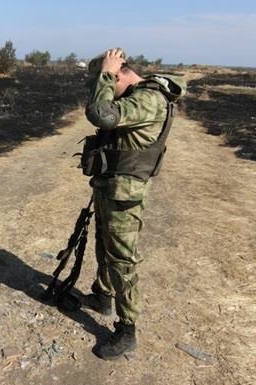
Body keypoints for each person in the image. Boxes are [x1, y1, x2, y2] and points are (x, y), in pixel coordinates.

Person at [80, 48, 186, 360]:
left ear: (123, 72)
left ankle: (127, 329)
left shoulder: (148, 99)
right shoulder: (138, 95)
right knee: (104, 243)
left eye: (109, 80)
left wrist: (107, 72)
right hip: (111, 184)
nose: (103, 87)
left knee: (122, 260)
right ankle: (102, 295)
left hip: (125, 192)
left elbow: (100, 114)